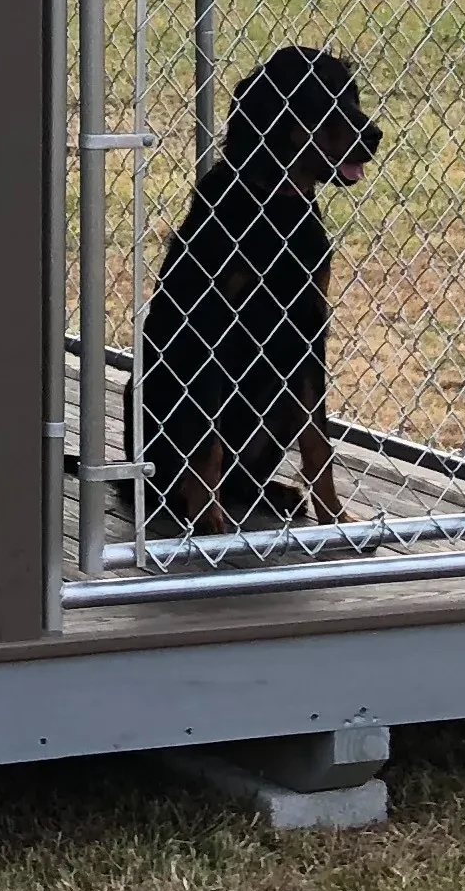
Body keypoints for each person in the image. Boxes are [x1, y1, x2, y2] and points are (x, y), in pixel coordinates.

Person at [137, 45, 380, 540]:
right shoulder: (220, 216)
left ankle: (312, 488)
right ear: (275, 124)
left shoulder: (306, 229)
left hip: (257, 430)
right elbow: (190, 356)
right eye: (328, 112)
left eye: (352, 104)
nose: (361, 126)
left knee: (304, 354)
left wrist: (321, 484)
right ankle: (200, 493)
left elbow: (308, 356)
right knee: (198, 355)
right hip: (176, 426)